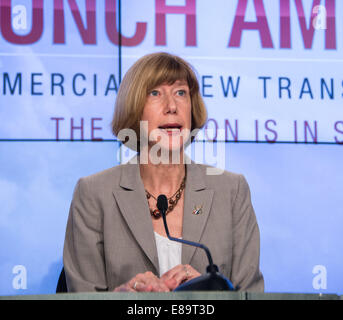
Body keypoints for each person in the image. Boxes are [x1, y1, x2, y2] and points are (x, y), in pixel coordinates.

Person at [63, 52, 264, 292]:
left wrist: (212, 293)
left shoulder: (232, 190)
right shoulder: (94, 193)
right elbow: (82, 297)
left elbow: (251, 294)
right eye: (155, 93)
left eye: (181, 93)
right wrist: (122, 297)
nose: (172, 106)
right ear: (135, 109)